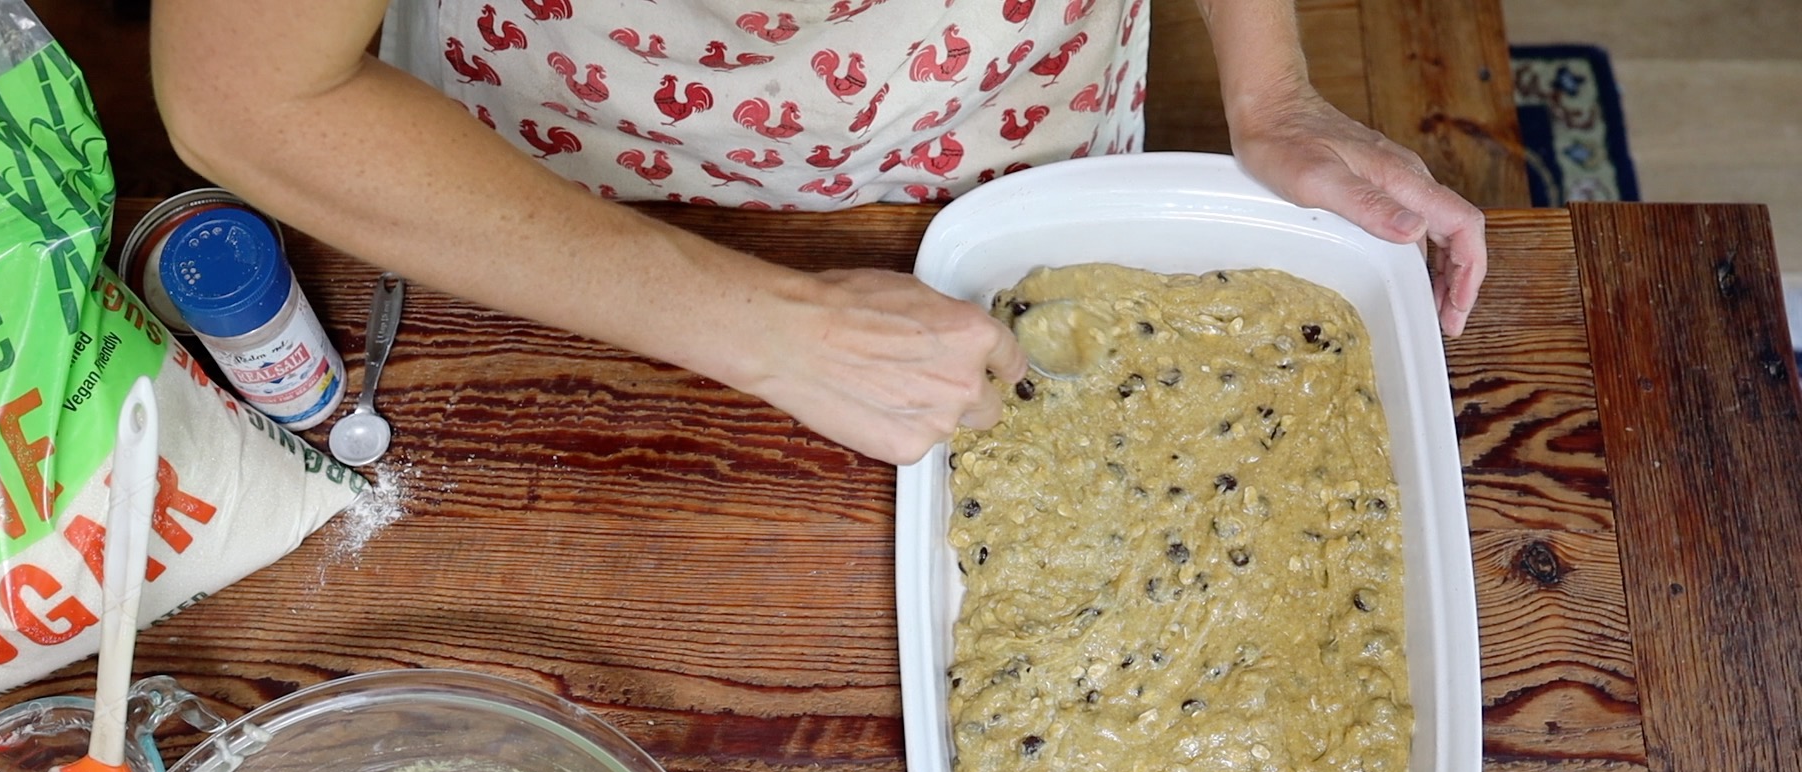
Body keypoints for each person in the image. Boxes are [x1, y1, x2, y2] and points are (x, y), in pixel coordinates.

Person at [151, 0, 1486, 466]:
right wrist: (765, 332)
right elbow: (242, 88)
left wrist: (1272, 91)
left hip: (1009, 99)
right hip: (568, 140)